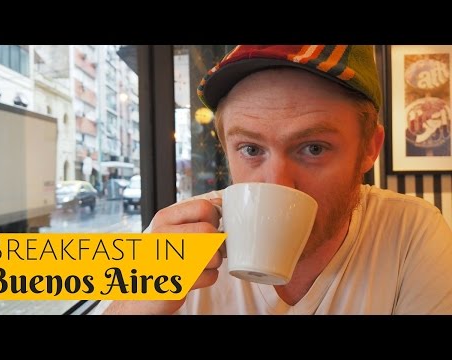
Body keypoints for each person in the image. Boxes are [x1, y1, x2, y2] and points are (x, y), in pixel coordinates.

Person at [95, 45, 452, 315]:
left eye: (313, 148)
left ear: (368, 149)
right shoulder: (176, 238)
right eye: (250, 149)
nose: (277, 183)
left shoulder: (411, 232)